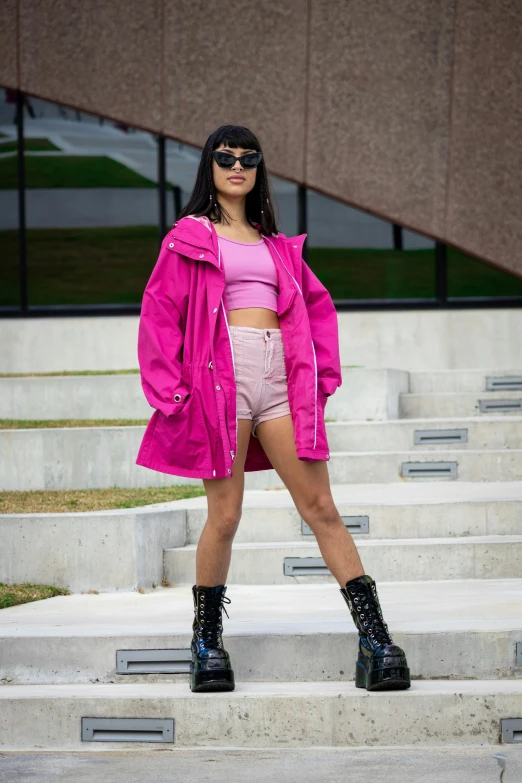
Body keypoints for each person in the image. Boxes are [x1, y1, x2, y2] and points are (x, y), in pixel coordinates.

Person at [136, 125, 410, 694]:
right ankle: (206, 645)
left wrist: (324, 376)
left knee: (322, 506)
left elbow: (317, 305)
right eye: (225, 157)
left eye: (248, 158)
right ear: (209, 166)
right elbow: (159, 313)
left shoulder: (274, 244)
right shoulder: (189, 238)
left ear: (259, 169)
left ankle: (375, 641)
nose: (237, 166)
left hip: (280, 377)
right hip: (221, 378)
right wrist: (171, 392)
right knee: (226, 516)